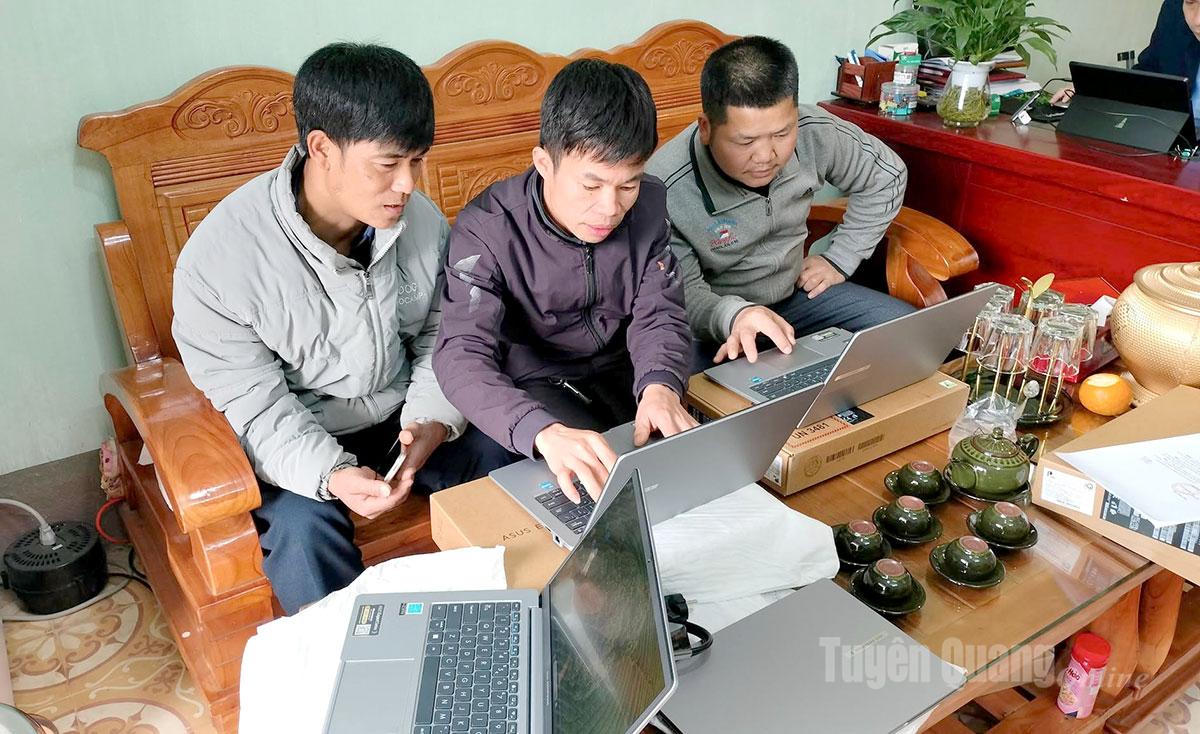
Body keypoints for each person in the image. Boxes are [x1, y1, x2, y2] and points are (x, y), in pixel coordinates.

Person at [172, 43, 515, 614]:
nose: (408, 184)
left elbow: (442, 335)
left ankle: (521, 625)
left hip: (406, 418)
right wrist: (331, 475)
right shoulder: (221, 261)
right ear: (322, 149)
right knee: (305, 538)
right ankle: (351, 677)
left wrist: (431, 422)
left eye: (417, 160)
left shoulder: (420, 223)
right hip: (299, 440)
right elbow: (256, 409)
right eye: (388, 163)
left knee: (512, 459)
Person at [433, 59, 696, 504]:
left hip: (623, 367)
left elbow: (660, 311)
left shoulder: (649, 203)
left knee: (691, 459)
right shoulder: (488, 229)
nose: (611, 209)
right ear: (543, 163)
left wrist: (661, 384)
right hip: (538, 385)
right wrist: (542, 431)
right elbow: (461, 354)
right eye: (591, 186)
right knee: (604, 490)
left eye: (627, 184)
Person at [645, 36, 914, 373]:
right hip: (712, 324)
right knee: (676, 391)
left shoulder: (814, 130)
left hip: (795, 299)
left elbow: (886, 175)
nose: (766, 156)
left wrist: (840, 259)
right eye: (745, 141)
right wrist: (736, 315)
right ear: (706, 128)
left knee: (908, 335)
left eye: (782, 134)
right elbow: (686, 296)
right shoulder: (664, 188)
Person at [1052, 0, 1200, 118]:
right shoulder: (1174, 10)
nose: (1197, 20)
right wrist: (1090, 91)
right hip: (1177, 137)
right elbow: (1147, 73)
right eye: (1191, 3)